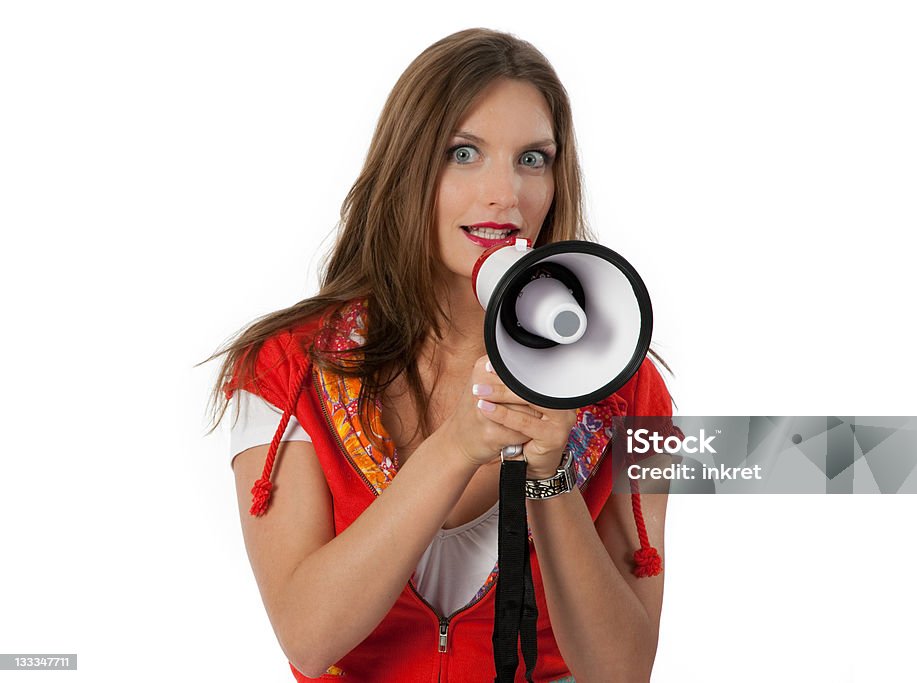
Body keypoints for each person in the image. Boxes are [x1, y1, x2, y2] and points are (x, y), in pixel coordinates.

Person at [211, 28, 671, 683]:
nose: (505, 195)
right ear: (407, 166)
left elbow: (623, 672)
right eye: (464, 152)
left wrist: (548, 474)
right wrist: (458, 444)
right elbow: (309, 638)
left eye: (533, 159)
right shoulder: (287, 373)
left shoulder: (627, 387)